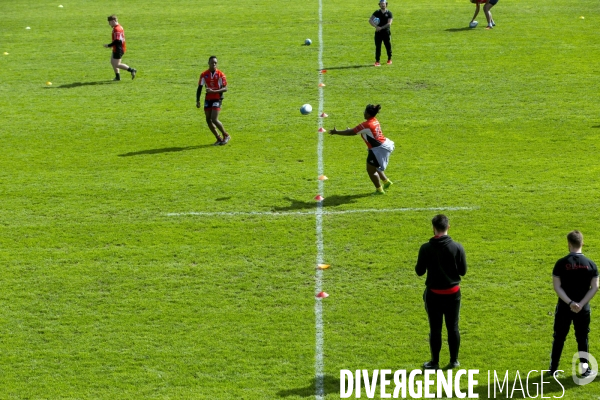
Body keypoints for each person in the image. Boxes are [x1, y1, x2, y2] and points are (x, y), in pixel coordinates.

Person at [415, 214, 467, 370]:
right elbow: (463, 271)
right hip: (453, 294)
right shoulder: (457, 247)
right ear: (448, 227)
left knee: (435, 328)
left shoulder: (426, 248)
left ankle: (434, 362)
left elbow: (419, 271)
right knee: (453, 327)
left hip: (434, 295)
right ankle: (454, 360)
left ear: (433, 228)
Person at [549, 230, 599, 377]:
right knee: (582, 337)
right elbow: (595, 287)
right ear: (582, 243)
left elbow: (557, 286)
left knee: (559, 337)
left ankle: (553, 369)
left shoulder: (561, 263)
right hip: (583, 309)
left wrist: (570, 302)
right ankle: (584, 370)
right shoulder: (591, 264)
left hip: (564, 307)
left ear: (569, 244)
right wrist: (581, 304)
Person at [328, 104, 394, 195]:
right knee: (375, 166)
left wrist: (336, 132)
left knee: (371, 170)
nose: (364, 113)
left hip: (377, 149)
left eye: (365, 111)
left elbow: (351, 132)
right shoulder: (374, 120)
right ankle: (386, 182)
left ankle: (379, 190)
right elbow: (358, 130)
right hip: (384, 145)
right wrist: (351, 130)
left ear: (368, 114)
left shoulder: (366, 124)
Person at [196, 56, 231, 146]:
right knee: (208, 120)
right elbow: (199, 88)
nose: (214, 64)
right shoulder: (204, 74)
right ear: (209, 63)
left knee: (214, 119)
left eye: (215, 63)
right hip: (208, 99)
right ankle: (218, 138)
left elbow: (225, 88)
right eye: (212, 63)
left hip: (217, 98)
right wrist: (198, 100)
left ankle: (226, 135)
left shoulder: (220, 74)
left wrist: (214, 91)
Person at [104, 15, 136, 81]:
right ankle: (117, 77)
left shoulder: (117, 29)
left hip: (119, 49)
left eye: (109, 22)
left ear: (113, 21)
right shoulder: (118, 27)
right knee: (113, 62)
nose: (109, 24)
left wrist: (109, 45)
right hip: (117, 48)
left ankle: (132, 70)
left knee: (117, 64)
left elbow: (117, 40)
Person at [369, 0, 393, 66]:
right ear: (379, 5)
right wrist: (376, 26)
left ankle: (389, 59)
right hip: (378, 33)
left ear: (386, 4)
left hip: (386, 32)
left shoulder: (389, 13)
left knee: (388, 46)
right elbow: (370, 20)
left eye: (384, 4)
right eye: (381, 4)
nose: (383, 5)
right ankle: (377, 61)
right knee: (378, 47)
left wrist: (381, 28)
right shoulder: (377, 12)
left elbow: (389, 23)